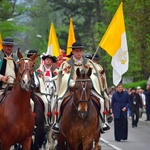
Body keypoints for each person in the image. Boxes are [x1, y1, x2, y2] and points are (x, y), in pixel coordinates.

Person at [51, 41, 110, 133]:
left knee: (101, 101)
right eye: (76, 51)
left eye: (80, 51)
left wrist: (89, 81)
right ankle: (57, 122)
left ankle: (103, 122)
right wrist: (72, 83)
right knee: (59, 101)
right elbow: (65, 76)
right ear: (73, 52)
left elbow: (95, 74)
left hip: (86, 87)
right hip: (72, 88)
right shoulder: (67, 64)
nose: (78, 53)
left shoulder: (89, 63)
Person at [33, 53, 58, 126]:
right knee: (46, 103)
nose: (48, 61)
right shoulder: (38, 71)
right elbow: (37, 82)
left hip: (54, 91)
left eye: (50, 60)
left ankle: (56, 122)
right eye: (47, 59)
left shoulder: (56, 71)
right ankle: (46, 121)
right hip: (42, 91)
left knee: (57, 103)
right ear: (44, 61)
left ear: (52, 61)